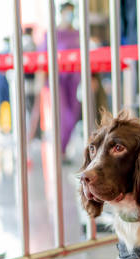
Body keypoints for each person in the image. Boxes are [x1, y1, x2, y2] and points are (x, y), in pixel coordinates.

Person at [39, 1, 81, 154]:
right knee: (64, 116)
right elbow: (42, 57)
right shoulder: (51, 34)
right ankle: (60, 149)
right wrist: (41, 79)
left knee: (74, 114)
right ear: (61, 13)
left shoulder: (78, 34)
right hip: (57, 81)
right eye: (67, 12)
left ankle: (62, 148)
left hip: (74, 80)